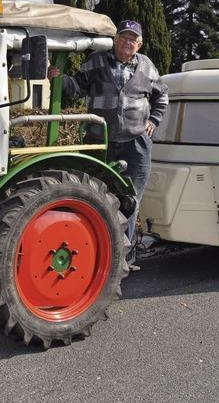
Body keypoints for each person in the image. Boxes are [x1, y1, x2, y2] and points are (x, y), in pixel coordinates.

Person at [48, 20, 168, 270]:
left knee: (131, 199)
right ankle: (97, 255)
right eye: (123, 37)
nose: (127, 42)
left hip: (136, 143)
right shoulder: (97, 61)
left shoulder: (147, 66)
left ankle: (123, 259)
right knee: (96, 196)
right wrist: (58, 78)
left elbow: (162, 96)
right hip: (99, 141)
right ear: (115, 39)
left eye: (132, 38)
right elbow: (76, 88)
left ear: (140, 43)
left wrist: (154, 120)